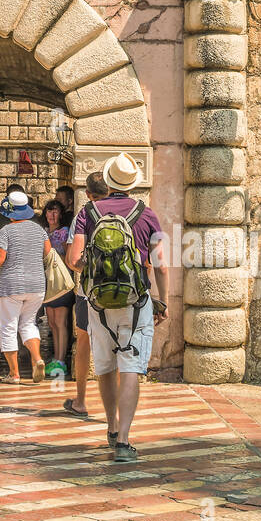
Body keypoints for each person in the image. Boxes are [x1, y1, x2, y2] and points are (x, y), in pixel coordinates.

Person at [66, 153, 169, 463]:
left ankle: (110, 428)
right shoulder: (147, 214)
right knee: (131, 370)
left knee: (106, 368)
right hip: (136, 302)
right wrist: (162, 301)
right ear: (133, 183)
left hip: (98, 304)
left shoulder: (88, 212)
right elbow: (161, 263)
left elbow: (75, 261)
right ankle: (124, 440)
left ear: (108, 181)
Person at [0, 190, 49, 384]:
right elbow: (48, 254)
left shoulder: (6, 231)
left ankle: (14, 374)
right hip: (37, 285)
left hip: (11, 287)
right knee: (29, 324)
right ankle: (37, 359)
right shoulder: (39, 230)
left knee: (8, 327)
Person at [62, 171, 107, 418]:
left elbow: (73, 260)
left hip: (89, 291)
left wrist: (92, 267)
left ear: (88, 194)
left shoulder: (84, 214)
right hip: (122, 291)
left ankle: (81, 401)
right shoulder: (128, 211)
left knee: (84, 343)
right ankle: (119, 403)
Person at [40, 198, 73, 376]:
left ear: (61, 214)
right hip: (47, 282)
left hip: (60, 281)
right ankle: (56, 357)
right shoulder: (43, 232)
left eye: (55, 211)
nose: (52, 215)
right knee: (52, 322)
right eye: (49, 211)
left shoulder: (65, 232)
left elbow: (68, 257)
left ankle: (61, 359)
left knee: (60, 322)